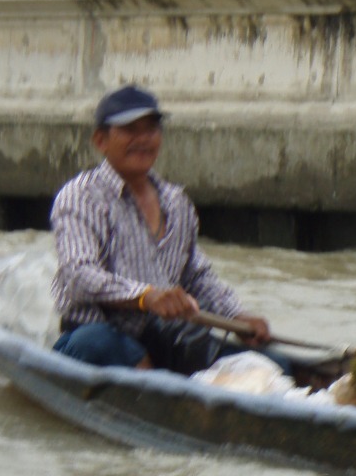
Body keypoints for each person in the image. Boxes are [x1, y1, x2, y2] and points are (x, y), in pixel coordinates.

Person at [50, 84, 273, 375]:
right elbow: (79, 274)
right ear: (100, 141)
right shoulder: (81, 196)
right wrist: (146, 296)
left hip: (164, 338)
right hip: (96, 338)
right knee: (99, 341)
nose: (143, 140)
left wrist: (238, 316)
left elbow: (197, 276)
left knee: (270, 364)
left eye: (151, 130)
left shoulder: (176, 202)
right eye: (130, 130)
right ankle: (160, 387)